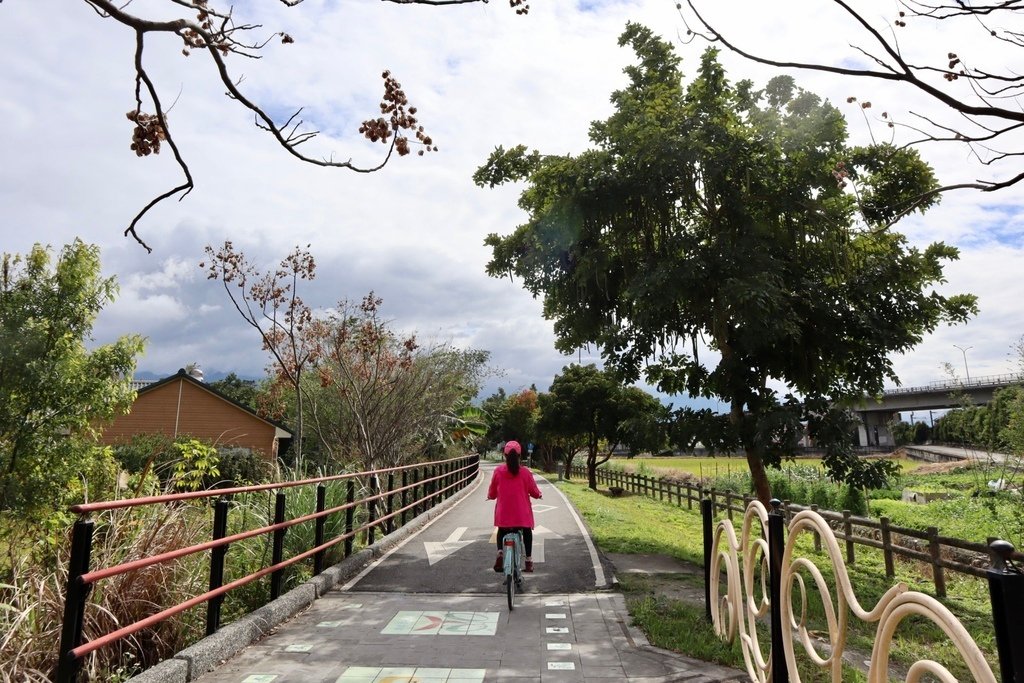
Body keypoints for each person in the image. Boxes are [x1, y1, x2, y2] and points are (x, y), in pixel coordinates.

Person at [487, 440, 542, 573]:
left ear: (504, 455)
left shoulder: (498, 471)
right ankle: (528, 561)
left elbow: (492, 492)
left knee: (501, 530)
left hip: (504, 515)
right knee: (527, 532)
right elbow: (534, 492)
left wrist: (490, 496)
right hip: (522, 516)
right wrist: (539, 494)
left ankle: (500, 553)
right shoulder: (525, 472)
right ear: (519, 455)